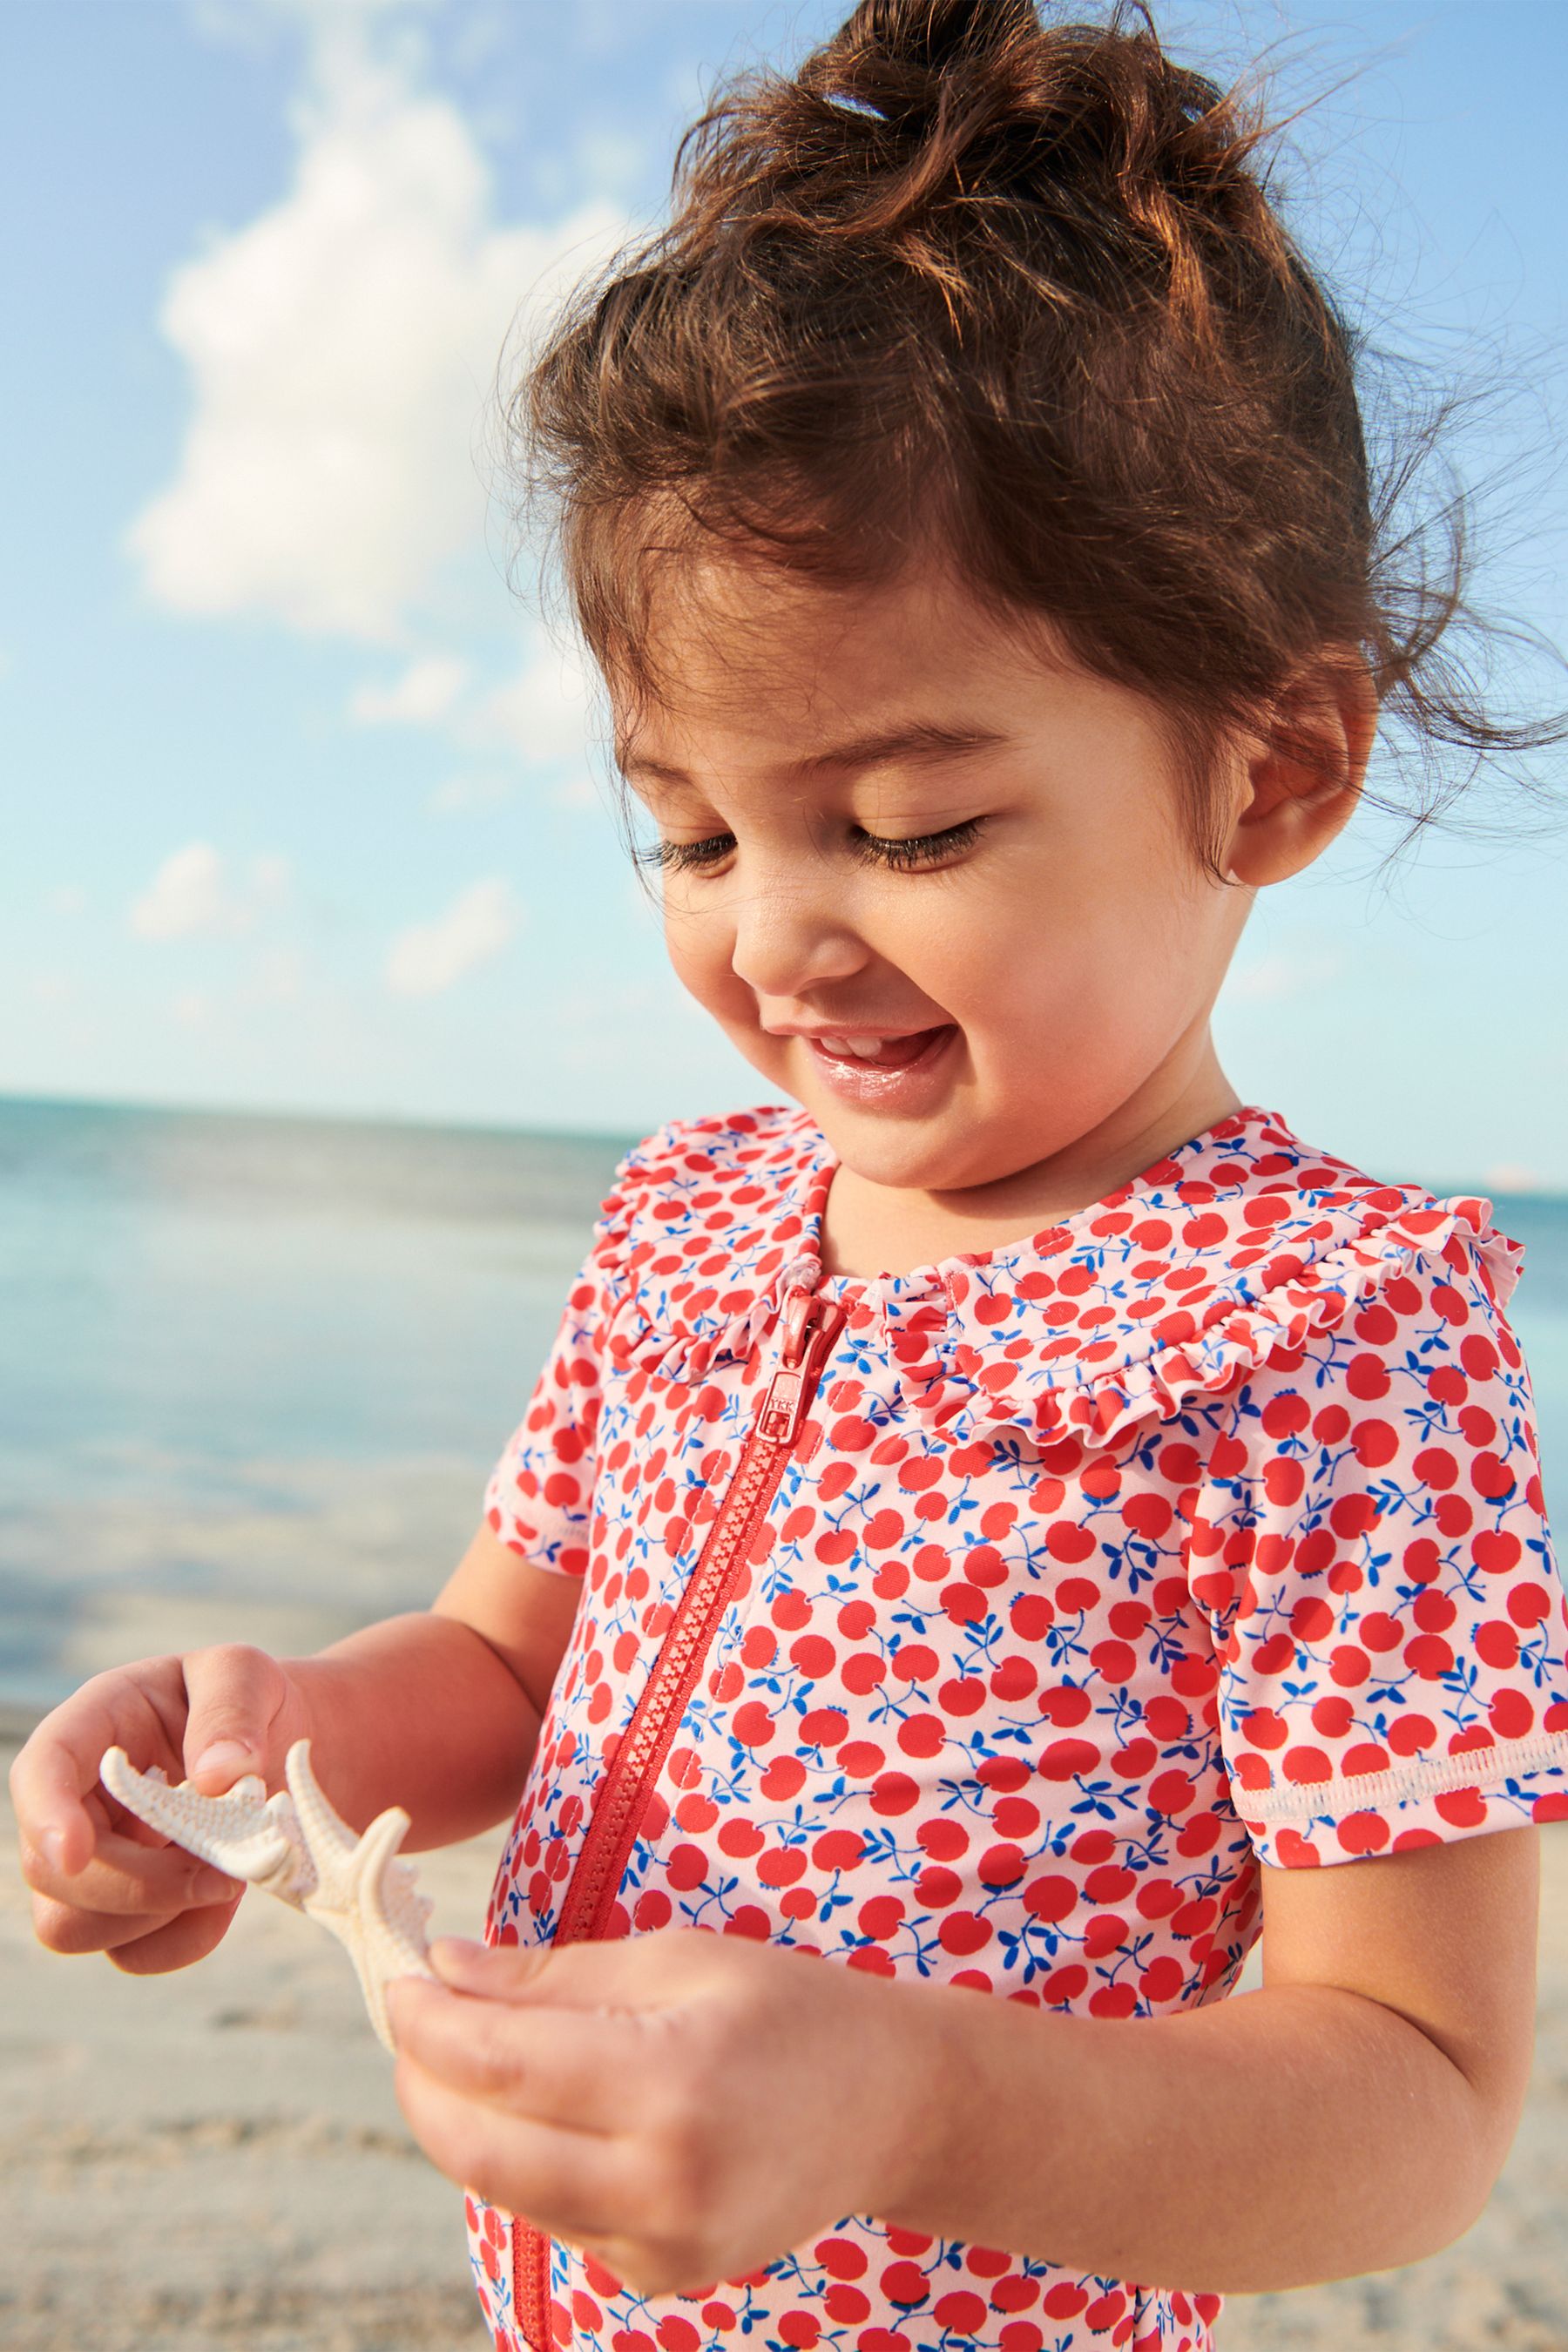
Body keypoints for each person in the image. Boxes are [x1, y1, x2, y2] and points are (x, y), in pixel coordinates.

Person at [13, 3, 1568, 2349]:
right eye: (692, 825)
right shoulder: (695, 1216)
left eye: (908, 824)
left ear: (1273, 771)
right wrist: (281, 1748)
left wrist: (916, 2102)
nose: (768, 934)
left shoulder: (1338, 1332)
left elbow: (1421, 2096)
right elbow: (504, 1665)